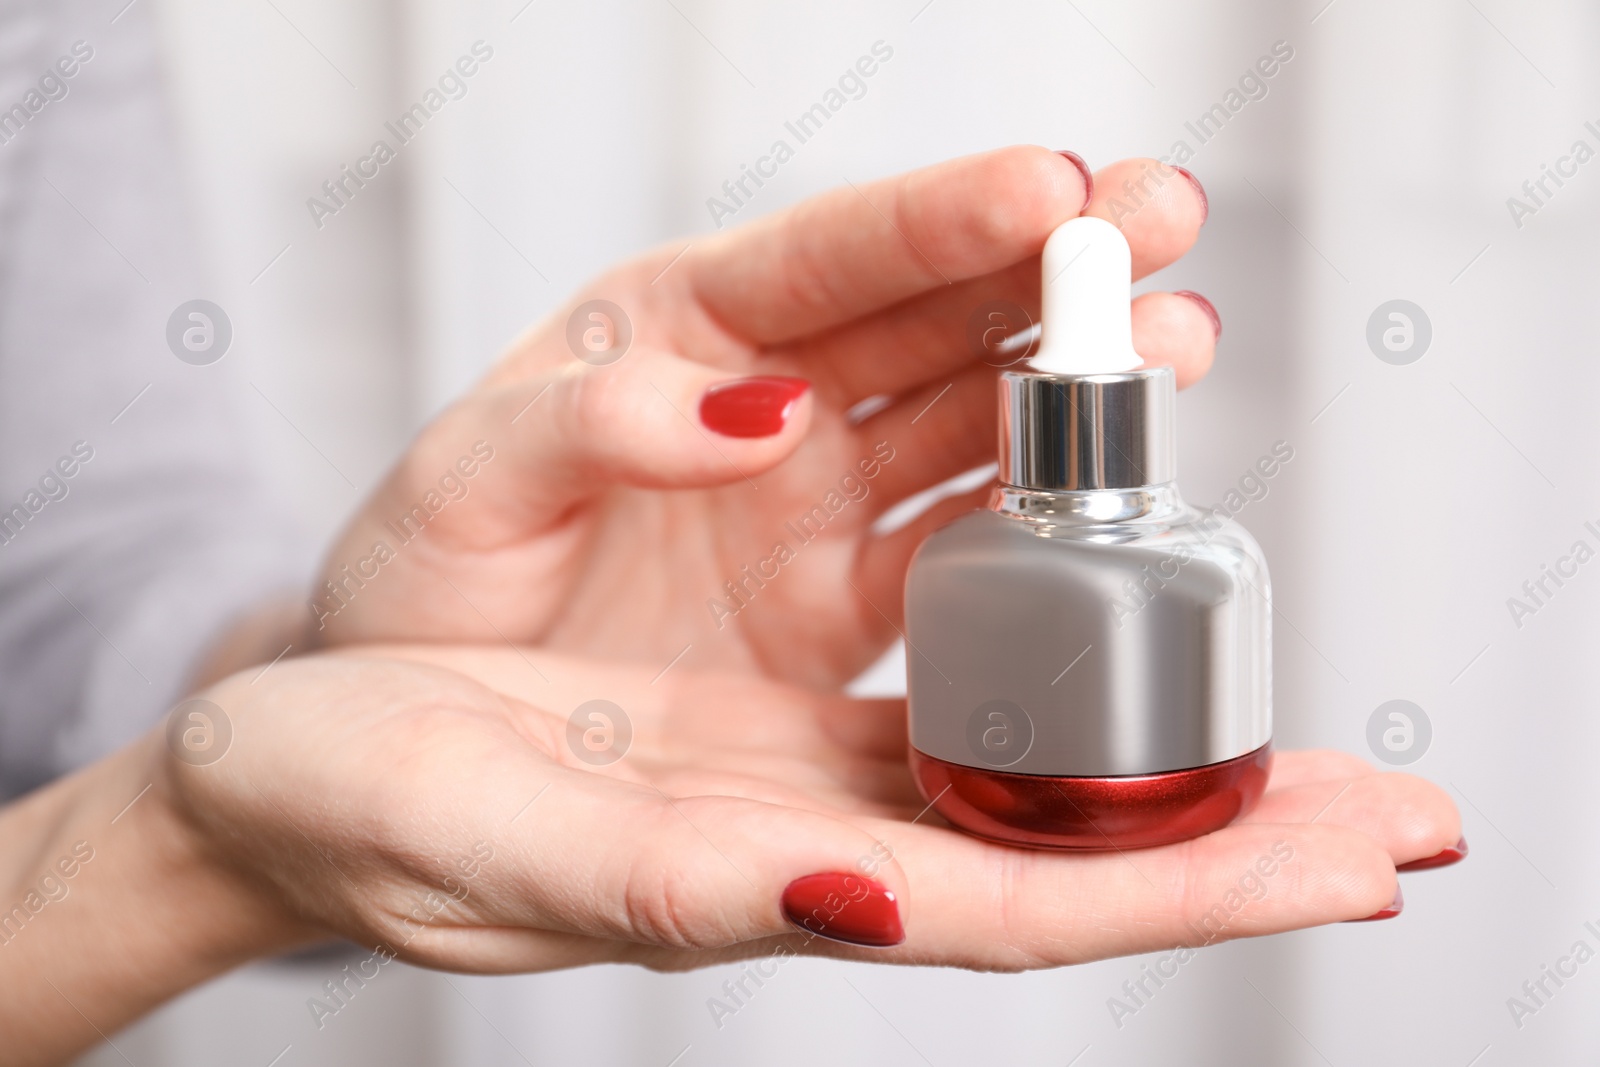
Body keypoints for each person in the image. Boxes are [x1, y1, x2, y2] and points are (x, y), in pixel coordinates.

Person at [0, 134, 1464, 1064]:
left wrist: (320, 677)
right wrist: (187, 849)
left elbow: (80, 559)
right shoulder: (986, 562)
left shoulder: (1191, 559)